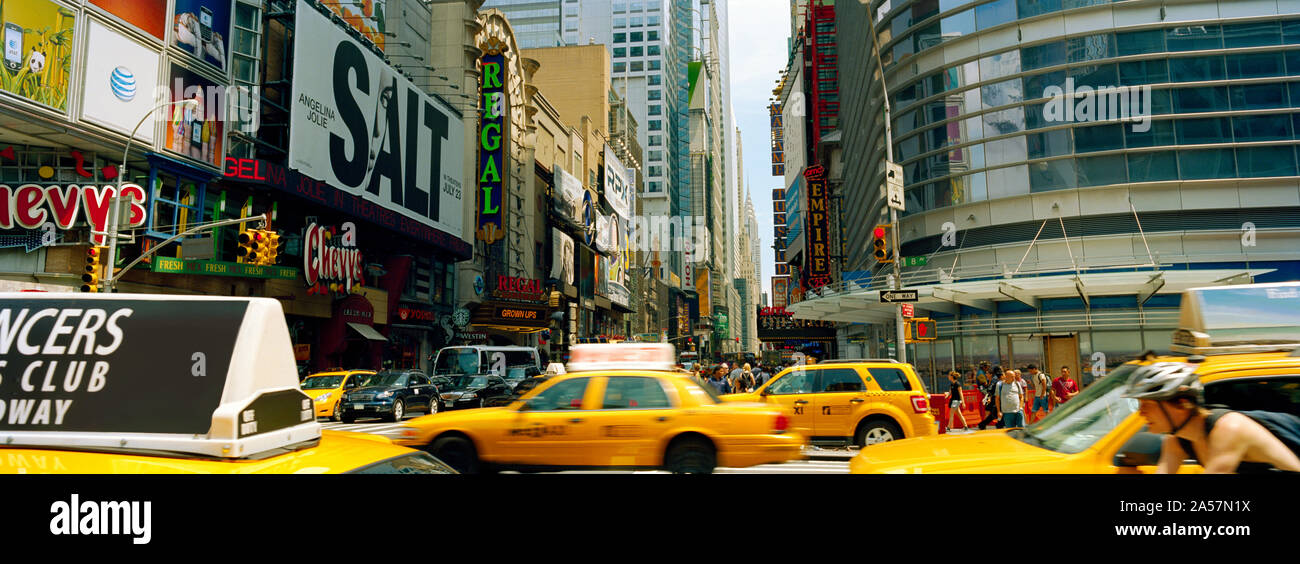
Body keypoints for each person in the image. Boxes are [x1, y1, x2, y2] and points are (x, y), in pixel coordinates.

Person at [1124, 362, 1300, 473]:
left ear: (1182, 404)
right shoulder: (1177, 441)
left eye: (1147, 405)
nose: (1141, 413)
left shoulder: (1229, 428)